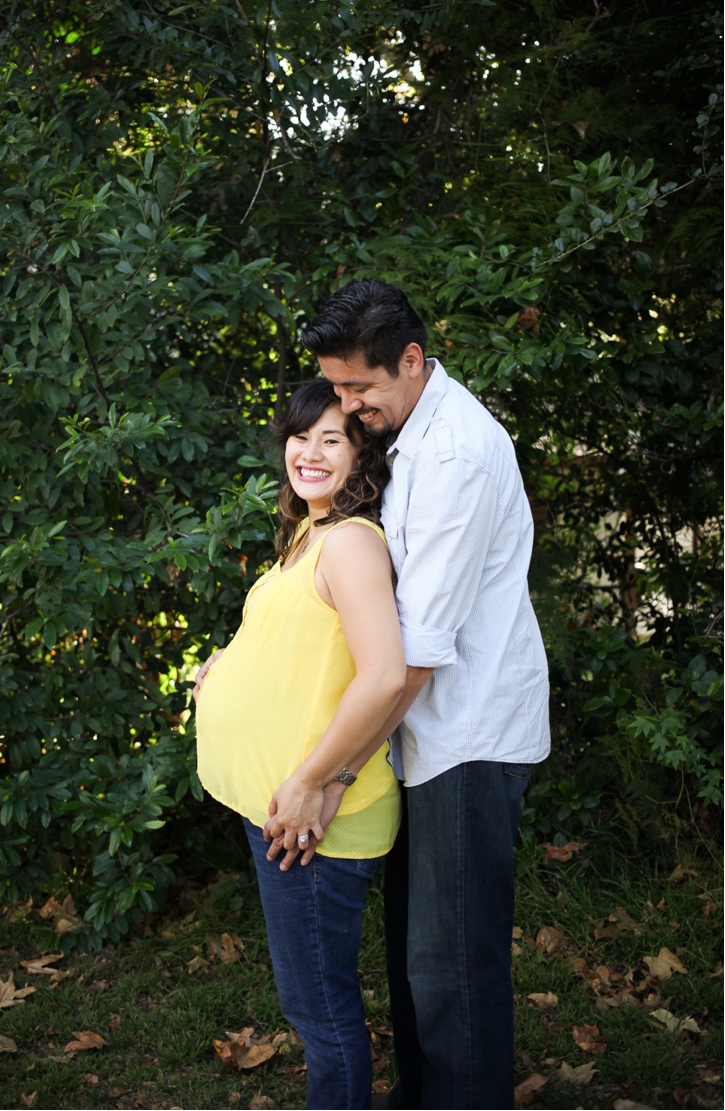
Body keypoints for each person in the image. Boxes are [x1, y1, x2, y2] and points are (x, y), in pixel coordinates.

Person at [271, 279, 551, 1110]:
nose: (348, 406)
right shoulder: (405, 432)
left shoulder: (456, 454)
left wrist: (332, 776)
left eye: (359, 387)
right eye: (337, 386)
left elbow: (415, 657)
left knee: (451, 968)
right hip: (415, 736)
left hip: (468, 735)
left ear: (412, 361)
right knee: (412, 957)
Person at [194, 377, 407, 1111]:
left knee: (319, 1007)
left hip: (311, 816)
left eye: (332, 439)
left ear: (361, 455)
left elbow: (384, 674)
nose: (310, 452)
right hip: (287, 806)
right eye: (300, 435)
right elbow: (300, 644)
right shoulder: (308, 535)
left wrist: (314, 781)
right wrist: (226, 665)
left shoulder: (350, 543)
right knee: (311, 998)